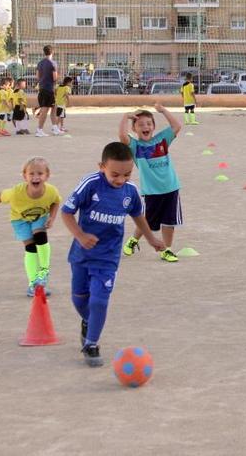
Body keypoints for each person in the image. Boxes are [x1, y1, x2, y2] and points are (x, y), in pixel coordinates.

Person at [61, 142, 165, 367]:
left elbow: (138, 216)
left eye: (126, 174)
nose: (120, 180)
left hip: (108, 257)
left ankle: (91, 343)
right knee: (79, 299)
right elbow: (67, 212)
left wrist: (151, 239)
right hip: (82, 254)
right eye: (114, 174)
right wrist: (80, 235)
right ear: (102, 167)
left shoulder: (131, 192)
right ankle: (88, 322)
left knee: (99, 300)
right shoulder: (91, 184)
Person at [0, 157, 61, 297]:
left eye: (40, 173)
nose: (35, 177)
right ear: (24, 176)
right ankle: (33, 283)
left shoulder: (51, 191)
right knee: (31, 247)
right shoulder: (16, 192)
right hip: (19, 220)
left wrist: (52, 217)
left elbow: (56, 202)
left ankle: (43, 272)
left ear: (47, 175)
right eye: (31, 174)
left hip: (39, 217)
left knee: (40, 236)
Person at [119, 105, 184, 263]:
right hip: (151, 191)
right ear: (134, 129)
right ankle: (134, 240)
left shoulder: (162, 140)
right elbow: (122, 136)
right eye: (140, 124)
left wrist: (163, 111)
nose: (145, 127)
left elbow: (176, 126)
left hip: (171, 188)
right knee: (147, 221)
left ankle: (166, 250)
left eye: (148, 123)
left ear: (154, 126)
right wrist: (126, 116)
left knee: (169, 221)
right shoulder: (135, 146)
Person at [35, 45, 62, 136]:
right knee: (45, 110)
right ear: (52, 52)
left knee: (54, 107)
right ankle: (39, 130)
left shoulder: (40, 63)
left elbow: (37, 76)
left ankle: (54, 128)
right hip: (49, 88)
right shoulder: (53, 63)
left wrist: (43, 81)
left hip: (42, 88)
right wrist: (58, 77)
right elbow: (54, 78)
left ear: (44, 52)